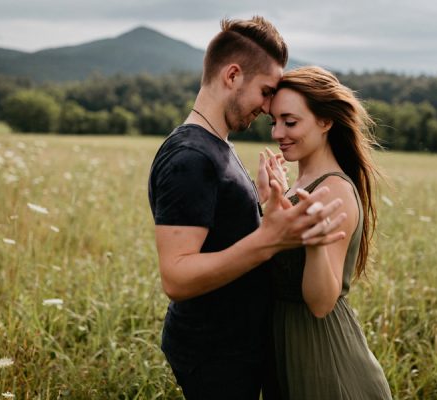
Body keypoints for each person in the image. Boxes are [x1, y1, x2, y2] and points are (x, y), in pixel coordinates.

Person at [148, 18, 346, 400]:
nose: (268, 106)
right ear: (233, 75)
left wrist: (262, 203)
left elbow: (221, 231)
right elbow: (176, 277)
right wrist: (270, 239)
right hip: (214, 354)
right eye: (266, 91)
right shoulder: (190, 157)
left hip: (235, 348)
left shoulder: (216, 145)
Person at [260, 66, 393, 399]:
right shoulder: (299, 186)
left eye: (290, 122)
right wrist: (270, 202)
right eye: (273, 121)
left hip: (322, 359)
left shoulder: (333, 191)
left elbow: (321, 303)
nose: (278, 132)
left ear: (325, 121)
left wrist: (317, 245)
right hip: (290, 349)